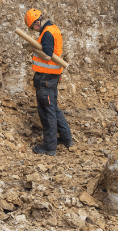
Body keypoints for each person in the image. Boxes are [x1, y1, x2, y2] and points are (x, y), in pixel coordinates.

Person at [25, 9, 72, 156]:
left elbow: (46, 55)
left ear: (36, 22)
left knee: (47, 112)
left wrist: (32, 48)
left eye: (33, 26)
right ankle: (66, 138)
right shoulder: (53, 29)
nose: (33, 29)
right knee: (54, 109)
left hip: (45, 78)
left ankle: (49, 147)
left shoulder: (46, 34)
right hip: (52, 77)